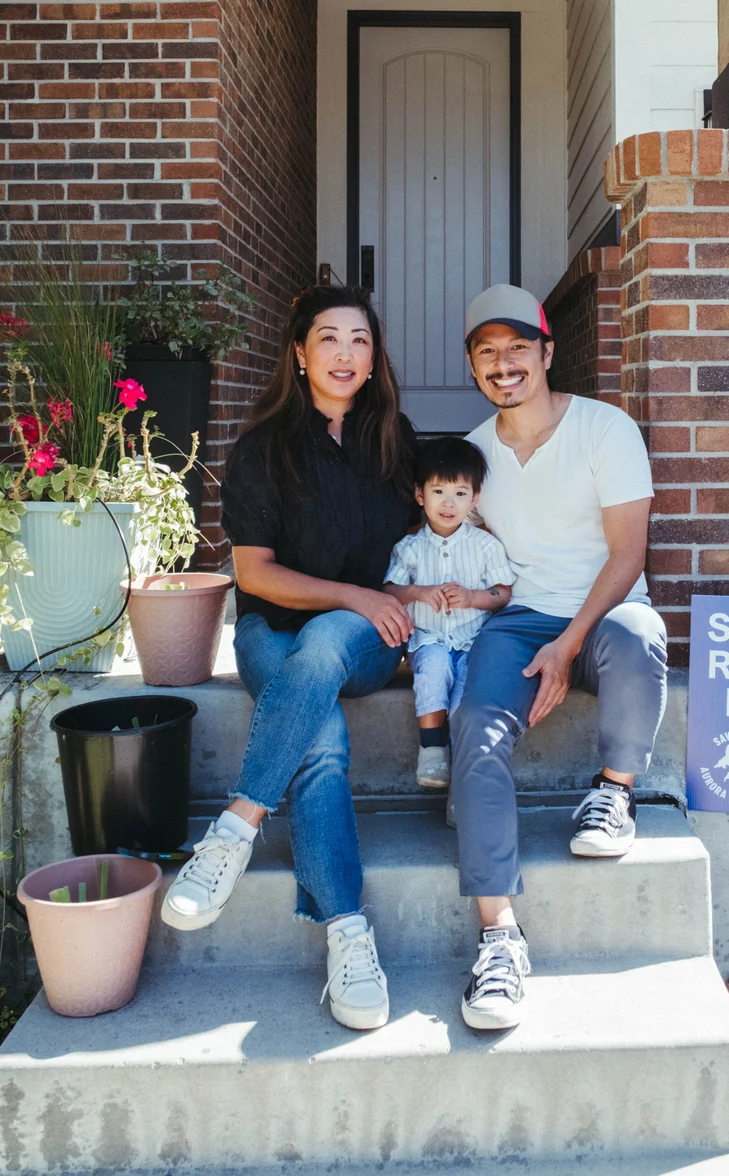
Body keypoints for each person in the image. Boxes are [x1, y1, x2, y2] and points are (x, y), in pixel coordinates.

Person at [159, 284, 418, 1033]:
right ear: (299, 354)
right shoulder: (262, 448)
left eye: (360, 340)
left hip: (367, 642)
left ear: (374, 361)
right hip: (270, 631)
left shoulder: (398, 445)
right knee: (322, 739)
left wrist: (418, 595)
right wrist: (353, 593)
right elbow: (256, 575)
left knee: (332, 639)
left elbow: (454, 511)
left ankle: (235, 826)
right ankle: (347, 932)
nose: (345, 353)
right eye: (329, 338)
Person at [452, 283, 668, 1031]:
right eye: (487, 353)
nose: (504, 364)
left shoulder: (605, 429)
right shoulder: (474, 454)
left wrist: (568, 643)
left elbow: (627, 553)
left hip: (605, 608)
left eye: (518, 348)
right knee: (476, 731)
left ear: (547, 351)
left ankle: (614, 788)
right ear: (474, 368)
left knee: (641, 637)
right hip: (516, 620)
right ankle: (499, 938)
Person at [384, 438, 514, 789]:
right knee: (434, 672)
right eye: (438, 490)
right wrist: (419, 592)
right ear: (420, 495)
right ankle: (432, 751)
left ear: (474, 499)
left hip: (474, 640)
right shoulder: (409, 548)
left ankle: (463, 778)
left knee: (465, 697)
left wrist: (473, 597)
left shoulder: (485, 546)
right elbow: (390, 590)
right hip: (428, 638)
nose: (448, 502)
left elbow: (503, 592)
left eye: (460, 493)